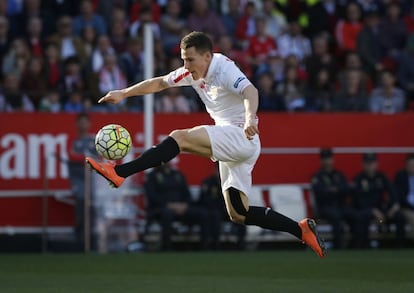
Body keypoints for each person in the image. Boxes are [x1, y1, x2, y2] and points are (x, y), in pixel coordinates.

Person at [85, 31, 326, 258]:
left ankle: (118, 172)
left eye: (190, 60)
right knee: (238, 213)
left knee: (179, 137)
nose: (186, 66)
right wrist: (123, 93)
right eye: (183, 60)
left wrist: (251, 117)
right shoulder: (189, 73)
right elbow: (159, 83)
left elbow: (251, 91)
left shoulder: (224, 69)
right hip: (236, 144)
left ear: (207, 56)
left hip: (241, 135)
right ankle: (300, 230)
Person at [144, 163, 210, 251]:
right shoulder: (151, 176)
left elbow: (187, 194)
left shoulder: (178, 175)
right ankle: (166, 246)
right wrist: (169, 205)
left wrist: (185, 205)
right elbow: (152, 196)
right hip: (161, 209)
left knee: (203, 213)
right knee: (166, 214)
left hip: (181, 208)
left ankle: (205, 246)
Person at [351, 153, 406, 248]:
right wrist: (372, 211)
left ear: (376, 164)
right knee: (361, 218)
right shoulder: (359, 179)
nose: (370, 166)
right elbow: (358, 201)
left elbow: (392, 191)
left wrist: (394, 206)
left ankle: (399, 246)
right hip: (366, 210)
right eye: (367, 163)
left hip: (381, 209)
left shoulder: (381, 177)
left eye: (372, 163)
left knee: (400, 217)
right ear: (363, 164)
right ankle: (364, 246)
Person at [311, 148, 361, 249]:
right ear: (321, 161)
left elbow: (346, 189)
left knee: (356, 216)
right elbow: (320, 193)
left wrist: (334, 190)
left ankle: (356, 246)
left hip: (340, 205)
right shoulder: (318, 176)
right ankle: (339, 247)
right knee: (336, 217)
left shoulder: (339, 175)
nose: (327, 161)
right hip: (325, 207)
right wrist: (335, 191)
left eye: (329, 158)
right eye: (325, 159)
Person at [394, 154, 414, 241]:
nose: (412, 167)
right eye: (410, 165)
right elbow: (399, 196)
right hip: (406, 207)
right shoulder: (400, 176)